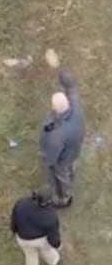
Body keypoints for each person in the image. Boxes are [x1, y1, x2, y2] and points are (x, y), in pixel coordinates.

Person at [38, 49, 85, 207]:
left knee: (61, 175)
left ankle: (64, 198)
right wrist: (59, 68)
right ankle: (71, 173)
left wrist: (48, 162)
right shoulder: (76, 107)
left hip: (63, 158)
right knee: (71, 165)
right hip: (76, 147)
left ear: (55, 108)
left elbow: (52, 156)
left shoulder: (56, 134)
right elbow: (71, 87)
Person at [10, 190, 62, 265]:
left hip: (24, 239)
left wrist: (13, 230)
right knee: (47, 249)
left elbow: (14, 219)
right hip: (41, 240)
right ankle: (53, 261)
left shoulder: (21, 204)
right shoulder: (51, 216)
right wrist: (57, 245)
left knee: (31, 257)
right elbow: (53, 237)